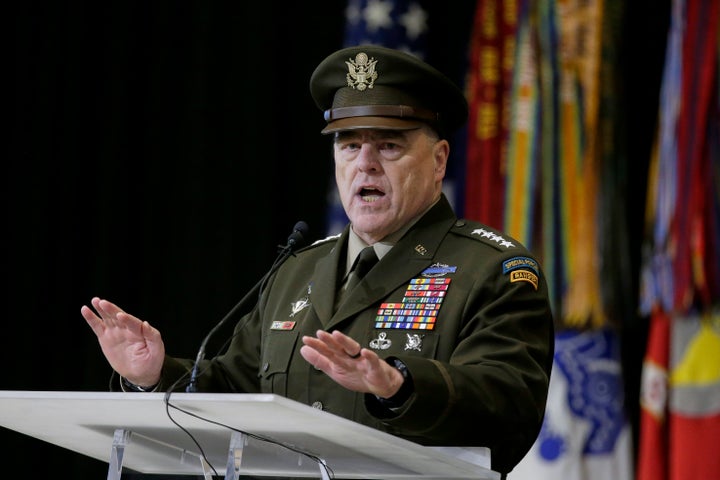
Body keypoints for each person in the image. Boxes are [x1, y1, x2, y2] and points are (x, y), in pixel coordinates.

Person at [82, 45, 554, 477]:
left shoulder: (492, 269)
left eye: (388, 144)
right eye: (349, 144)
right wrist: (154, 376)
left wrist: (399, 386)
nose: (365, 163)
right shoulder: (297, 270)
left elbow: (508, 407)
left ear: (438, 160)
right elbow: (236, 391)